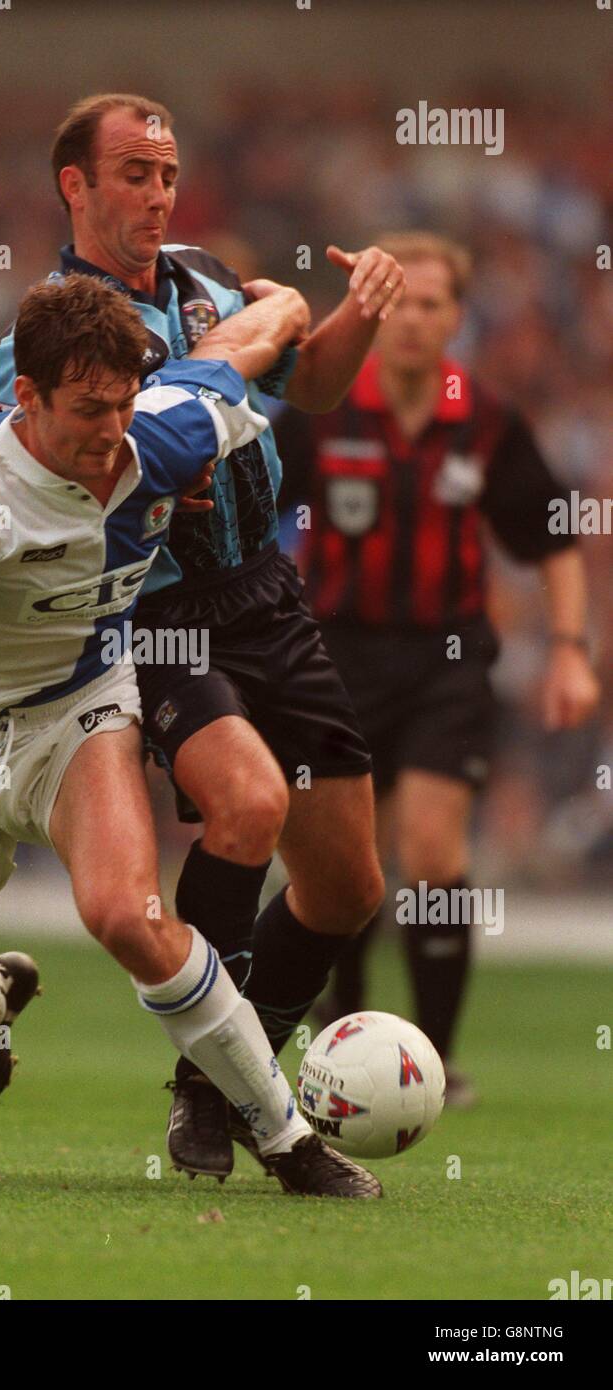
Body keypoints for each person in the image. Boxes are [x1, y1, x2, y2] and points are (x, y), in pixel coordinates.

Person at [0, 271, 383, 1199]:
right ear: (27, 397)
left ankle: (287, 1138)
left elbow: (242, 352)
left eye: (124, 403)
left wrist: (291, 302)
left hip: (76, 710)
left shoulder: (162, 428)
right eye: (88, 408)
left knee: (128, 915)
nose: (111, 430)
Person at [0, 92, 406, 1181]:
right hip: (152, 615)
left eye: (166, 174)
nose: (157, 195)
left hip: (264, 594)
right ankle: (218, 1100)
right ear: (75, 186)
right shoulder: (47, 327)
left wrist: (360, 312)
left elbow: (315, 381)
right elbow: (7, 464)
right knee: (246, 803)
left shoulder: (211, 282)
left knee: (348, 885)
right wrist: (122, 473)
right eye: (132, 175)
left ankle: (228, 1073)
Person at [273, 232, 601, 1104]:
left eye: (431, 304)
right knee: (346, 865)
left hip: (447, 661)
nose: (413, 319)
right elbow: (250, 512)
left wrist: (570, 653)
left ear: (456, 317)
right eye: (399, 302)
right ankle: (345, 1030)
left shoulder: (485, 422)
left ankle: (435, 1058)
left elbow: (553, 543)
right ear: (375, 311)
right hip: (329, 658)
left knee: (430, 848)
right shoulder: (322, 407)